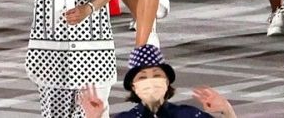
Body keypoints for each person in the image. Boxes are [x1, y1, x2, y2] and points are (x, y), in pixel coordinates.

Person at [87, 44, 237, 118]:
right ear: (134, 86)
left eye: (157, 75)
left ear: (167, 82)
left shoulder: (188, 115)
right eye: (142, 77)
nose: (150, 81)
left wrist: (227, 110)